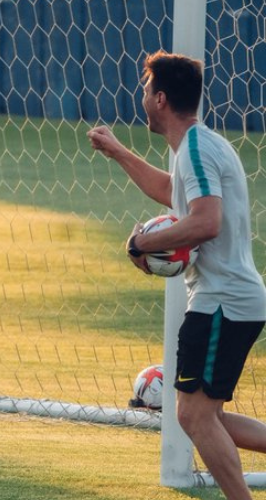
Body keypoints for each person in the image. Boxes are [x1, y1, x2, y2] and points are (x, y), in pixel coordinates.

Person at [88, 51, 266, 499]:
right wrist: (118, 152)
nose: (142, 96)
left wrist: (141, 244)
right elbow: (172, 192)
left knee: (192, 417)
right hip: (228, 299)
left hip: (221, 300)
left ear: (161, 98)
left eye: (146, 89)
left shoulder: (198, 150)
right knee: (209, 418)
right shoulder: (195, 147)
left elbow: (207, 222)